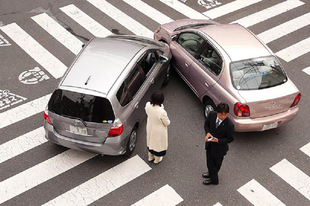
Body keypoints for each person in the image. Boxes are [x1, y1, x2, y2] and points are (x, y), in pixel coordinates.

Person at [202, 102, 234, 185]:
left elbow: (230, 139)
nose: (223, 117)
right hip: (210, 145)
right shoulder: (212, 115)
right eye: (221, 114)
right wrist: (208, 133)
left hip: (220, 149)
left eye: (225, 114)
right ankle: (211, 173)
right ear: (217, 112)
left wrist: (218, 140)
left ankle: (214, 180)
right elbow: (206, 124)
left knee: (216, 165)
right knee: (209, 162)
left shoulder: (229, 125)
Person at [145, 90, 170, 164]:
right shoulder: (162, 112)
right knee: (158, 144)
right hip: (159, 130)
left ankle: (150, 156)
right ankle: (157, 159)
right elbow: (167, 123)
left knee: (150, 141)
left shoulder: (148, 105)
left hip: (150, 126)